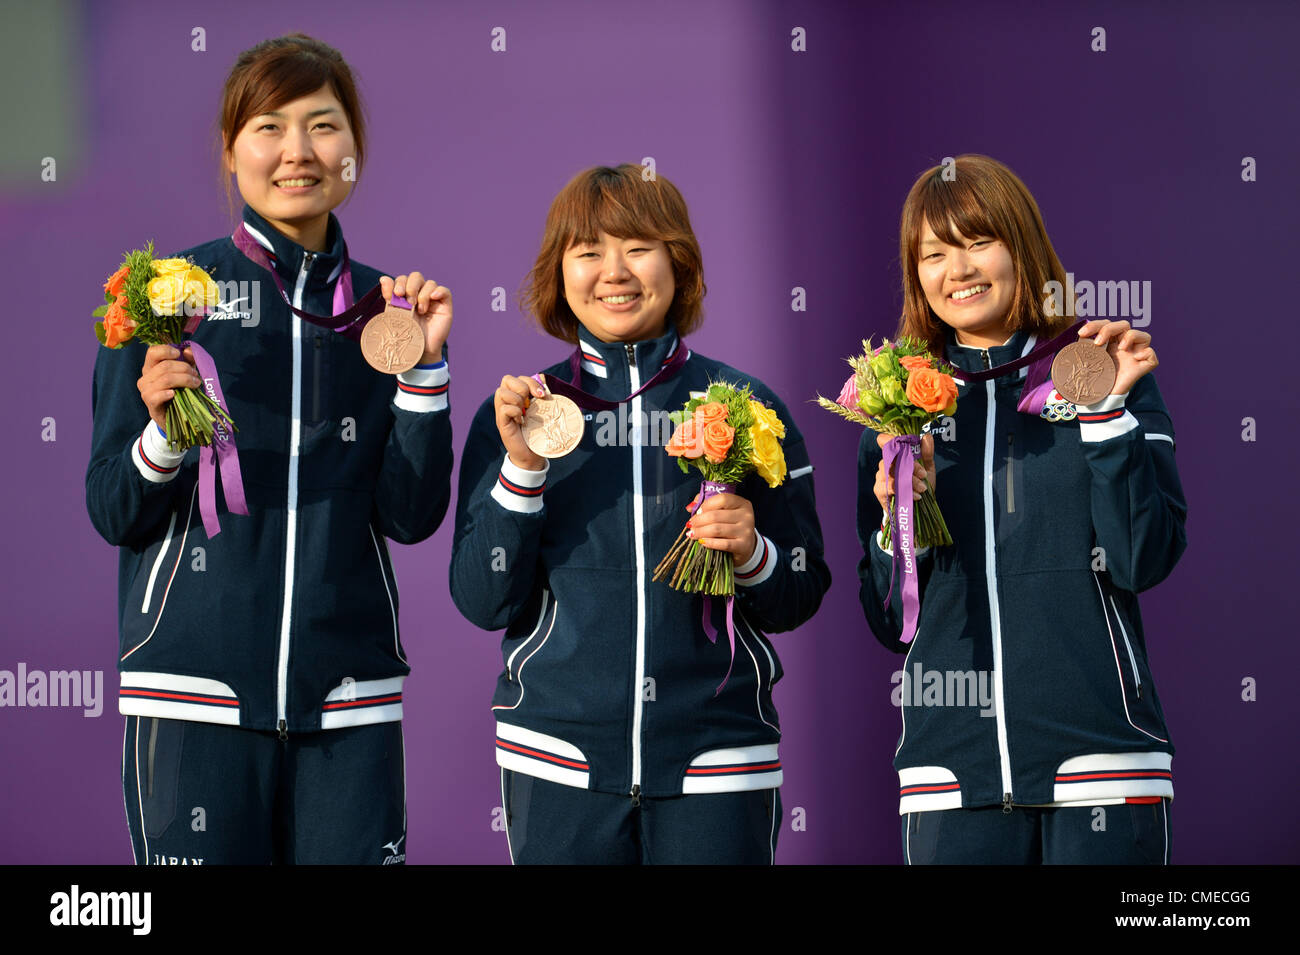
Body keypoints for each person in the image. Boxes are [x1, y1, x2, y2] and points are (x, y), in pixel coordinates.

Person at [86, 34, 453, 865]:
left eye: (323, 126)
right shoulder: (164, 297)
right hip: (192, 697)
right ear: (230, 151)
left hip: (347, 703)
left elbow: (412, 513)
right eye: (269, 127)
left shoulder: (387, 312)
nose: (297, 152)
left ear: (354, 149)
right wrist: (162, 432)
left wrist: (425, 371)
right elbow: (114, 505)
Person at [450, 164, 830, 864]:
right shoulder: (518, 416)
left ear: (677, 262)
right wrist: (524, 469)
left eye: (637, 245)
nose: (614, 271)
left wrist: (754, 552)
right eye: (588, 250)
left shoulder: (749, 405)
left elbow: (799, 592)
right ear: (558, 273)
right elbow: (481, 598)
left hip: (718, 754)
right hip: (558, 754)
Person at [857, 154, 1187, 864]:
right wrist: (897, 524)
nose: (958, 269)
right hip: (952, 777)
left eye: (978, 240)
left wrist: (1104, 418)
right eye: (934, 253)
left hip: (1102, 760)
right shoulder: (895, 407)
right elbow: (891, 620)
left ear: (1022, 245)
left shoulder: (1100, 367)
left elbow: (1143, 557)